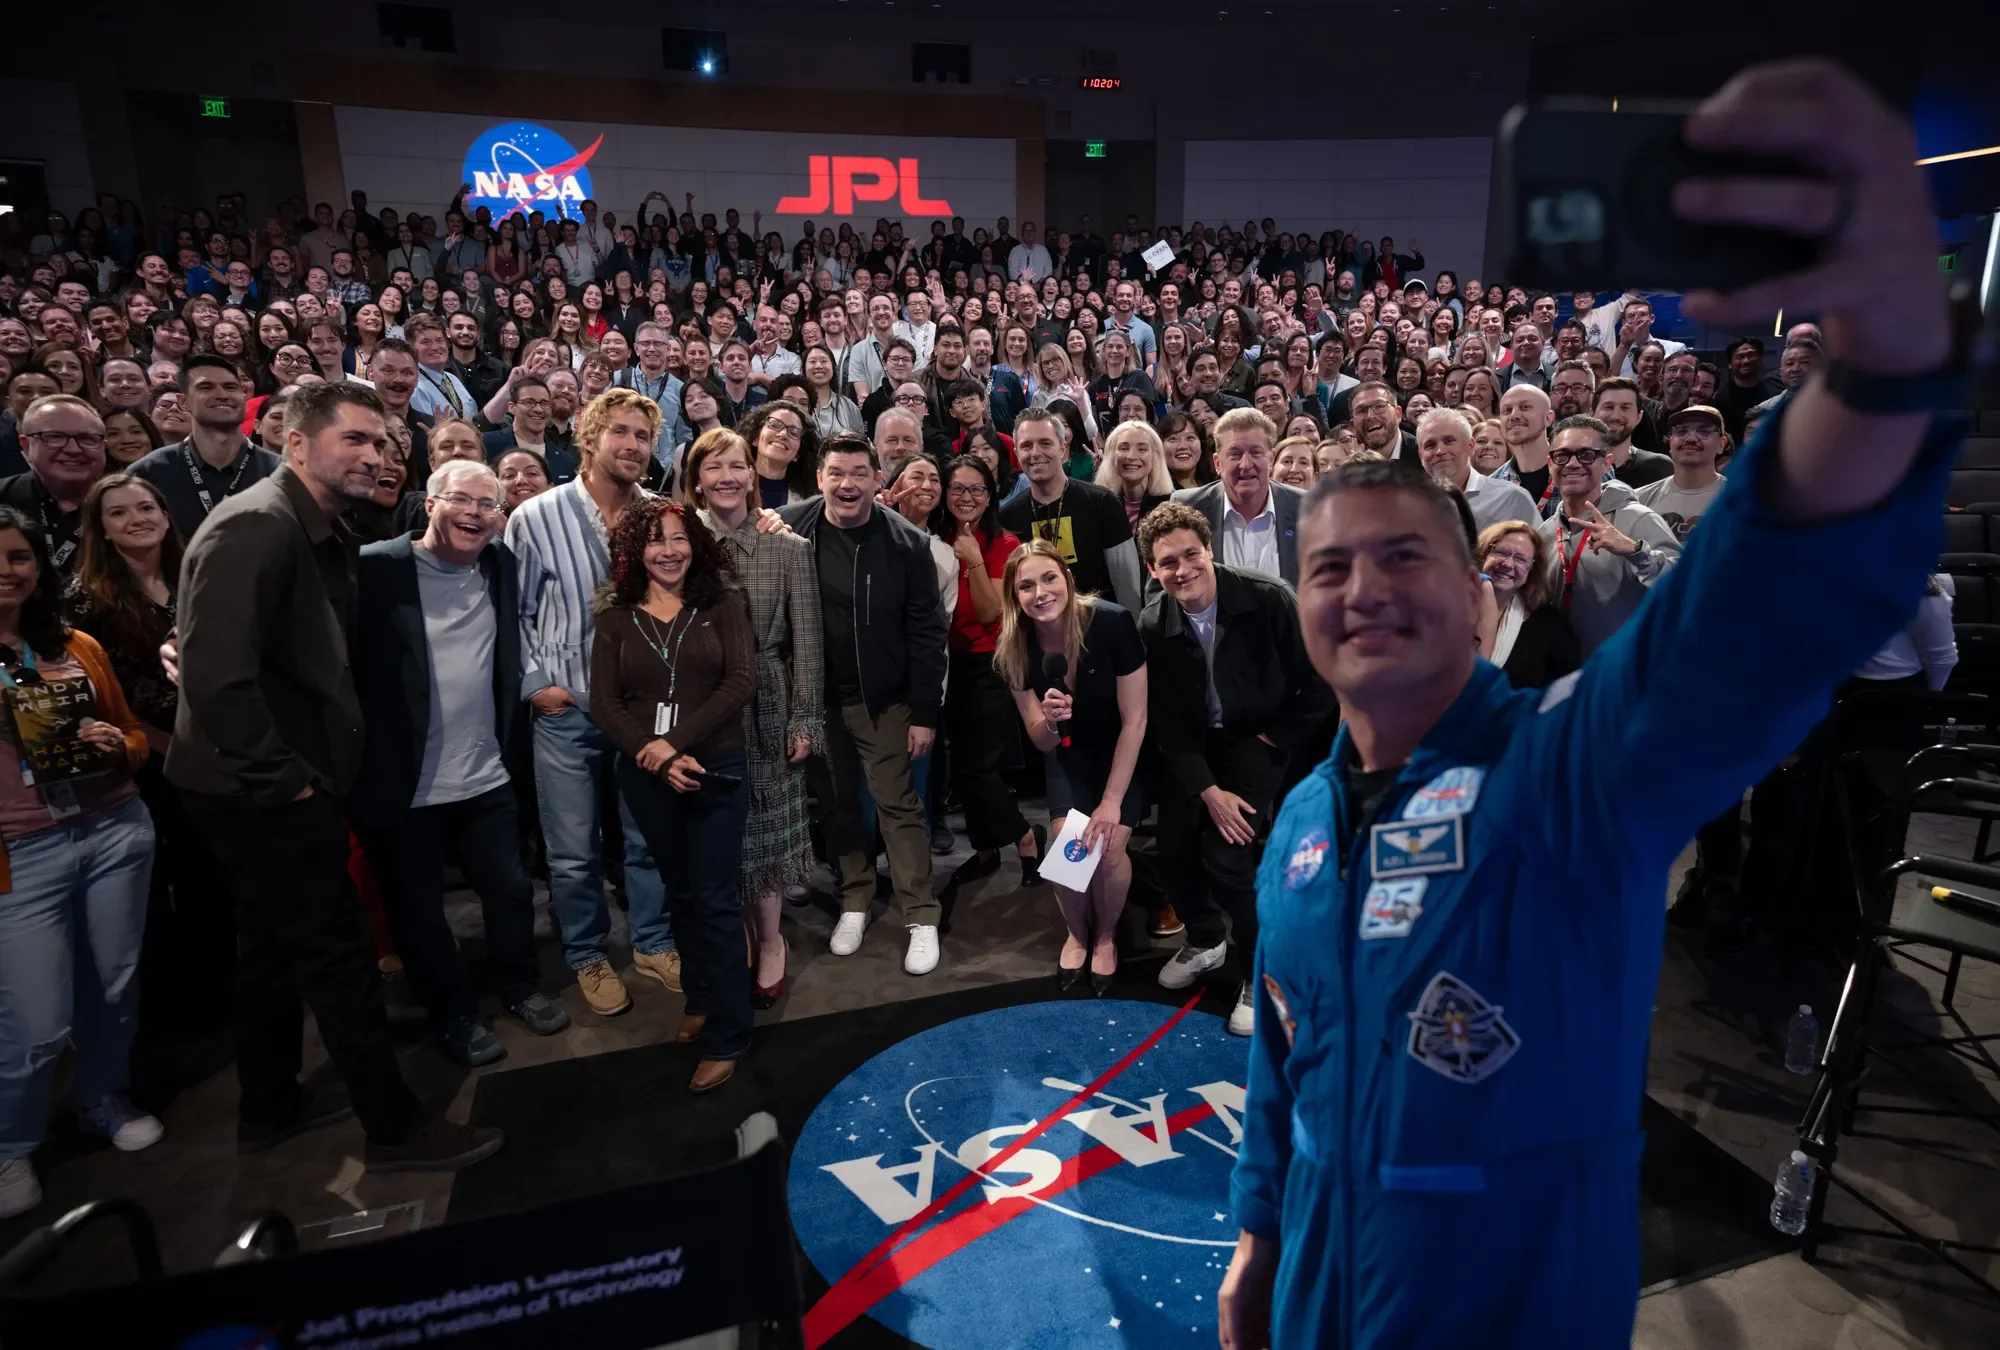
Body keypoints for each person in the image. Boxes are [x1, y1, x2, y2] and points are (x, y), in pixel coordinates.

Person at [1224, 64, 1962, 1348]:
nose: (1362, 588)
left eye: (1403, 556)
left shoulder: (1564, 772)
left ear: (1477, 590)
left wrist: (1881, 354)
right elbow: (1281, 1059)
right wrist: (1256, 1233)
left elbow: (1747, 618)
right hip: (1315, 1301)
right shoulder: (1296, 823)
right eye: (1328, 568)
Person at [170, 380, 503, 1172]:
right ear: (294, 442)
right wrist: (286, 781)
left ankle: (269, 1104)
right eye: (353, 438)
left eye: (381, 441)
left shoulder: (313, 524)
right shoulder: (258, 525)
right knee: (337, 954)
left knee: (269, 948)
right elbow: (218, 680)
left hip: (271, 777)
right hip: (262, 787)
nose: (374, 454)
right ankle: (394, 1129)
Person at [349, 461, 569, 1069]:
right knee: (419, 913)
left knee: (510, 892)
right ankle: (453, 1015)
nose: (474, 513)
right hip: (403, 784)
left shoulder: (499, 564)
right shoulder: (374, 568)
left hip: (484, 774)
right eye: (460, 500)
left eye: (487, 504)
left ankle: (519, 986)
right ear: (429, 504)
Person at [0, 508, 160, 1221]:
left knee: (115, 987)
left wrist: (118, 746)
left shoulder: (74, 646)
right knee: (35, 1020)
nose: (6, 571)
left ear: (38, 568)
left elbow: (132, 733)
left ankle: (101, 1097)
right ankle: (11, 1142)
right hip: (18, 852)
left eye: (19, 557)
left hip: (111, 831)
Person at [504, 387, 673, 1016]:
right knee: (573, 853)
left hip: (644, 711)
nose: (632, 446)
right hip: (567, 708)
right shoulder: (535, 516)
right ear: (588, 436)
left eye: (643, 436)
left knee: (647, 839)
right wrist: (536, 686)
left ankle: (654, 942)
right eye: (620, 432)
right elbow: (514, 614)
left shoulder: (662, 515)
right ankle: (586, 954)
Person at [1139, 503, 1332, 1035]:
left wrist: (1277, 736)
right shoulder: (1152, 622)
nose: (1182, 570)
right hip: (1197, 746)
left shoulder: (1269, 597)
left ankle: (1260, 965)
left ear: (1210, 550)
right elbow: (1168, 723)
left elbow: (1322, 676)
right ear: (1152, 569)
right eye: (1167, 562)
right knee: (1173, 846)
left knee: (1226, 854)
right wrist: (1207, 790)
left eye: (1191, 555)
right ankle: (1205, 939)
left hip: (1258, 738)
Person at [592, 496, 756, 1093]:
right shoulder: (615, 617)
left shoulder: (723, 604)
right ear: (634, 551)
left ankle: (729, 1033)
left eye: (679, 538)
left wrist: (672, 745)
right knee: (679, 892)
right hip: (647, 775)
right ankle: (701, 997)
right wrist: (654, 755)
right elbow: (604, 702)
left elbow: (740, 681)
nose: (669, 551)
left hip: (716, 768)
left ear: (696, 544)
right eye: (655, 540)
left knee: (714, 898)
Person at [781, 433, 948, 976]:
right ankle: (855, 898)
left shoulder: (907, 543)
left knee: (898, 806)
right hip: (815, 701)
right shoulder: (790, 526)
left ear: (878, 480)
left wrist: (924, 712)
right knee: (836, 806)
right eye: (836, 473)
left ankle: (920, 914)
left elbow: (928, 635)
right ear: (820, 478)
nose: (847, 484)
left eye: (859, 473)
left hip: (885, 701)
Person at [682, 429, 822, 1005]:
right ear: (696, 479)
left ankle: (770, 942)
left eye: (737, 466)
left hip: (766, 706)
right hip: (699, 710)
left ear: (752, 475)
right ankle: (734, 934)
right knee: (721, 837)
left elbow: (808, 643)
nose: (727, 477)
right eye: (713, 467)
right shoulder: (682, 544)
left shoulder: (787, 547)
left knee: (764, 838)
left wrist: (804, 720)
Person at [998, 539, 1148, 994]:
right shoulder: (1015, 646)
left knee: (1110, 846)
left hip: (1123, 749)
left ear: (1067, 578)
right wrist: (1049, 719)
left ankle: (1106, 936)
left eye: (1049, 578)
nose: (1040, 593)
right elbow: (1041, 740)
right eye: (1026, 586)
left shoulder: (1112, 622)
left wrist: (1111, 802)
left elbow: (1136, 720)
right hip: (1068, 753)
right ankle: (1077, 933)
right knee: (1070, 846)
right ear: (1015, 597)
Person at [936, 455, 1041, 888]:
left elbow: (988, 612)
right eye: (957, 488)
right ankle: (984, 850)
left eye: (976, 488)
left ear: (990, 495)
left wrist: (974, 559)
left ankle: (1026, 837)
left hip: (990, 664)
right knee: (961, 767)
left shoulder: (1005, 544)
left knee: (980, 767)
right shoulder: (935, 538)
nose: (967, 497)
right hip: (946, 663)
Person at [1537, 415, 1680, 656]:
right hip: (1564, 670)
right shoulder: (1545, 534)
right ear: (1550, 464)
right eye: (1562, 455)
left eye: (1586, 455)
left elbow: (1683, 586)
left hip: (1624, 668)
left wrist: (1636, 551)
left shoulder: (1637, 519)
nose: (1572, 464)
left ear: (1606, 463)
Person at [998, 408, 1144, 612]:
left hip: (1100, 625)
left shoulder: (1102, 502)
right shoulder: (1008, 517)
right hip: (1041, 627)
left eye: (1045, 443)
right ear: (1016, 453)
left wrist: (1129, 628)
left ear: (1062, 447)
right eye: (1026, 446)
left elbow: (1128, 585)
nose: (1035, 453)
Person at [129, 356, 280, 540]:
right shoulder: (148, 472)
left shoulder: (280, 471)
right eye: (206, 387)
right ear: (183, 402)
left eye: (231, 387)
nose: (222, 395)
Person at [1168, 408, 1306, 587]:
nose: (1245, 464)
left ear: (1271, 459)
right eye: (1235, 454)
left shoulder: (1306, 508)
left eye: (1256, 452)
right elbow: (1162, 585)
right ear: (1218, 463)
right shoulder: (1187, 507)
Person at [1475, 520, 1580, 690]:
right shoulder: (1449, 606)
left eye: (1521, 559)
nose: (1507, 564)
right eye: (1501, 552)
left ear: (1533, 570)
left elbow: (1563, 690)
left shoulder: (1550, 625)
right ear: (1483, 553)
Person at [1417, 407, 1540, 534]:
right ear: (1421, 457)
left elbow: (1541, 545)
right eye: (1430, 445)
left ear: (1470, 446)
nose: (1440, 451)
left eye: (1449, 441)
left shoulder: (1512, 498)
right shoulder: (1411, 506)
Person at [1636, 404, 1730, 543]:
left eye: (1704, 431)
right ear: (1670, 443)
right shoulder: (1639, 499)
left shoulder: (1745, 500)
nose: (1691, 438)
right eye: (1681, 431)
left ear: (1721, 444)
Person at [1093, 420, 1174, 531]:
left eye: (1142, 449)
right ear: (1112, 457)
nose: (1131, 456)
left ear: (1154, 458)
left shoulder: (1172, 504)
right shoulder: (1099, 505)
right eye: (1124, 448)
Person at [1592, 376, 1672, 487]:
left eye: (1625, 408)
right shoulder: (1575, 465)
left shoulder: (1660, 467)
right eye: (1609, 407)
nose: (1616, 416)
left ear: (1639, 417)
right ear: (1592, 414)